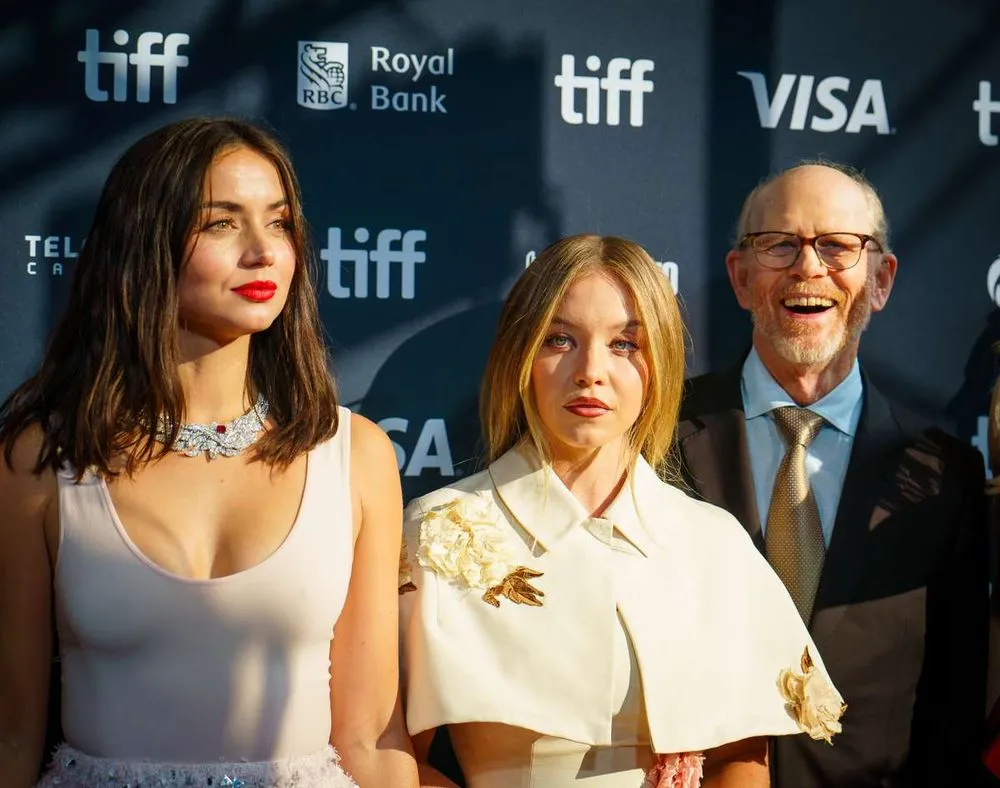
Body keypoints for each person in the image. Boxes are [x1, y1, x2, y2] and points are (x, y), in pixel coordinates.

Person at [0, 117, 418, 787]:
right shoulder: (42, 457)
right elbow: (12, 735)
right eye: (222, 223)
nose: (263, 252)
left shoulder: (353, 454)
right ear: (144, 243)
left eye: (279, 223)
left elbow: (370, 736)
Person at [398, 233, 846, 788]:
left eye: (624, 344)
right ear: (521, 356)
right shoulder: (439, 530)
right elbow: (386, 755)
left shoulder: (714, 542)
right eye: (560, 339)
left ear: (659, 365)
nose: (591, 370)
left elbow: (742, 756)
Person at [675, 161, 990, 787]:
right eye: (779, 245)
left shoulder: (943, 476)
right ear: (741, 277)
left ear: (881, 279)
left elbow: (953, 711)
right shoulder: (656, 436)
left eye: (838, 246)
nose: (808, 268)